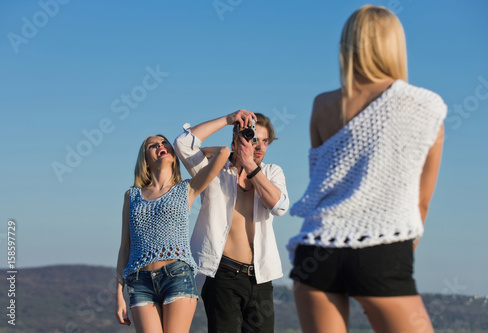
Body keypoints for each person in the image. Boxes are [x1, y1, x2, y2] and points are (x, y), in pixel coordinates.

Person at [287, 5, 447, 333]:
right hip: (383, 248)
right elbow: (421, 202)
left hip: (316, 249)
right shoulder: (426, 105)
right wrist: (394, 256)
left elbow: (323, 181)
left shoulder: (323, 105)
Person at [174, 111, 289, 332]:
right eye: (254, 139)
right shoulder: (214, 170)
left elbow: (279, 206)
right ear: (238, 138)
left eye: (265, 141)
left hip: (262, 278)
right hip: (224, 275)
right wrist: (229, 119)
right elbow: (183, 145)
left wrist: (250, 166)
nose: (260, 147)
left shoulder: (272, 173)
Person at [115, 134, 230, 333]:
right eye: (153, 145)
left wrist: (193, 150)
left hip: (176, 276)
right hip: (139, 282)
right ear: (145, 160)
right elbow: (125, 247)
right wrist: (118, 294)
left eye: (164, 143)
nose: (160, 146)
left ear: (173, 154)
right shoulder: (131, 195)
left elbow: (223, 153)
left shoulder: (186, 188)